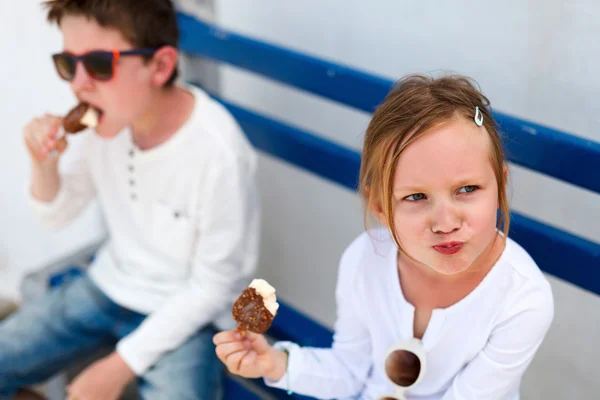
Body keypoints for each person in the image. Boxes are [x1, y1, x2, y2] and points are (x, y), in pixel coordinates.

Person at [214, 74, 554, 400]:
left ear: (499, 185)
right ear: (380, 204)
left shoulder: (522, 298)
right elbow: (351, 370)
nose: (445, 222)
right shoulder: (365, 259)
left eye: (467, 189)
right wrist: (276, 364)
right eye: (416, 197)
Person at [1, 1, 260, 399]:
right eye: (69, 64)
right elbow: (56, 216)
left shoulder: (218, 154)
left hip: (188, 315)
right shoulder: (106, 124)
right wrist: (44, 166)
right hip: (108, 286)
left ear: (159, 66)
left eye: (100, 64)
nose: (80, 85)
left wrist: (116, 367)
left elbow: (214, 288)